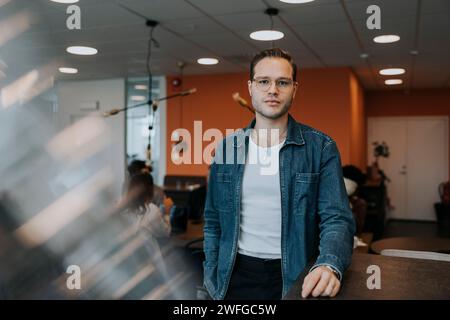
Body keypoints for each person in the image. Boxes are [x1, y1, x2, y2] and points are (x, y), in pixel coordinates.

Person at [203, 48, 355, 300]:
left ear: (294, 89)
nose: (272, 89)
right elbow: (212, 220)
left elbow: (337, 218)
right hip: (232, 277)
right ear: (250, 87)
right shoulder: (227, 148)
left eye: (282, 82)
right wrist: (210, 272)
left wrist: (329, 264)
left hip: (296, 276)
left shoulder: (321, 147)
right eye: (264, 81)